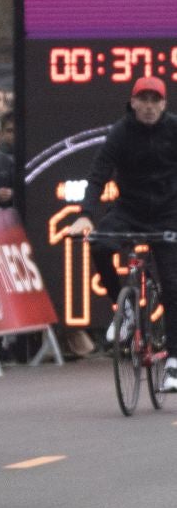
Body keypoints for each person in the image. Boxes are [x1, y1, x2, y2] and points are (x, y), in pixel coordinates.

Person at [68, 75, 177, 389]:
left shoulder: (173, 129)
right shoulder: (120, 132)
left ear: (164, 104)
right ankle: (125, 308)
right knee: (99, 245)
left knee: (173, 285)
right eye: (143, 100)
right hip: (129, 210)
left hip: (169, 213)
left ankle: (172, 362)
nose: (148, 106)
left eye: (155, 100)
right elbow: (98, 174)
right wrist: (85, 215)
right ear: (132, 103)